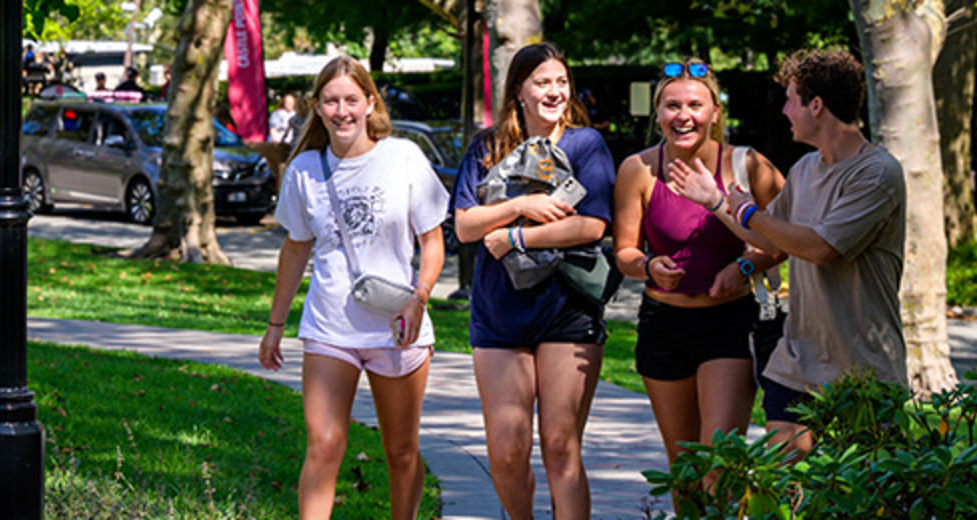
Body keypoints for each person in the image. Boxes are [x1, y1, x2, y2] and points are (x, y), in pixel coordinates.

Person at [662, 49, 909, 453]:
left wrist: (748, 211)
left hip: (864, 371)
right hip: (797, 362)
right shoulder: (806, 168)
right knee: (783, 481)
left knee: (858, 496)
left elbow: (819, 248)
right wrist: (715, 202)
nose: (784, 109)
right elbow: (771, 239)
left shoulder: (876, 173)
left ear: (817, 106)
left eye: (791, 99)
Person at [258, 55, 448, 520]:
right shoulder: (304, 169)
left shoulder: (402, 157)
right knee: (324, 444)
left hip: (396, 327)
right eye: (330, 101)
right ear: (317, 108)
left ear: (369, 103)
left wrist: (419, 298)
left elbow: (432, 241)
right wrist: (275, 325)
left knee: (401, 452)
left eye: (350, 100)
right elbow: (295, 249)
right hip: (330, 328)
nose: (341, 111)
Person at [451, 42, 616, 520]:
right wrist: (519, 206)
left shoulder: (585, 145)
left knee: (561, 447)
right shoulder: (486, 147)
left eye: (561, 82)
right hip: (499, 312)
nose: (555, 91)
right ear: (519, 90)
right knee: (505, 451)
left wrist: (517, 237)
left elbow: (591, 226)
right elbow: (465, 225)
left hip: (567, 309)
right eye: (543, 82)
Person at [610, 59, 785, 506]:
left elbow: (790, 238)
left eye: (694, 104)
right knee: (684, 471)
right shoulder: (639, 170)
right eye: (671, 106)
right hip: (663, 324)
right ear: (658, 113)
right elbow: (625, 253)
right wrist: (649, 267)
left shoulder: (746, 165)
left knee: (719, 468)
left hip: (728, 325)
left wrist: (745, 266)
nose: (682, 115)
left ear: (714, 113)